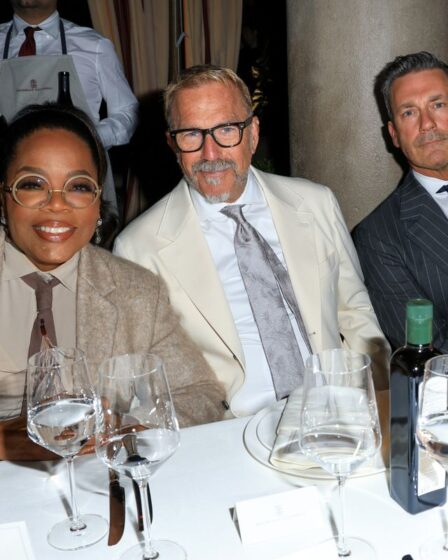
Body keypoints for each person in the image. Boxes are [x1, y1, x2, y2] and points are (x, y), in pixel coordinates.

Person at [114, 64, 390, 419]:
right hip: (229, 431)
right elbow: (143, 382)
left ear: (253, 133)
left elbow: (354, 311)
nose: (210, 154)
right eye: (191, 135)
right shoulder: (139, 248)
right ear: (172, 144)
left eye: (226, 130)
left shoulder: (315, 203)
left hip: (337, 411)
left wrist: (376, 401)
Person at [0, 103, 225, 461]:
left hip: (100, 498)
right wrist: (8, 444)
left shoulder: (135, 291)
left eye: (78, 186)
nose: (56, 205)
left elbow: (202, 394)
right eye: (32, 184)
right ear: (3, 196)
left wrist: (128, 426)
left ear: (96, 202)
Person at [0, 0, 139, 215]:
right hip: (5, 176)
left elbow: (128, 111)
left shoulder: (94, 45)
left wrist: (89, 137)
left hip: (75, 179)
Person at [352, 51, 448, 352]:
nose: (428, 124)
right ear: (394, 134)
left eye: (439, 105)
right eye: (409, 112)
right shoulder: (379, 237)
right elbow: (430, 355)